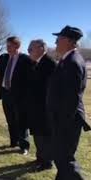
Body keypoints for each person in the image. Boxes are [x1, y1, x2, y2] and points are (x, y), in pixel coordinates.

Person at [47, 25, 91, 180]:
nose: (55, 42)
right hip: (64, 119)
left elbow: (71, 99)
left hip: (67, 121)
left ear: (68, 41)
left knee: (66, 161)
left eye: (58, 39)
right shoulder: (67, 60)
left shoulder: (72, 62)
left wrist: (61, 124)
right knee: (61, 159)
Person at [26, 39, 56, 171]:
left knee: (44, 136)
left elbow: (50, 89)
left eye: (30, 48)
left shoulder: (49, 64)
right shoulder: (36, 63)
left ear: (41, 49)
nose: (28, 51)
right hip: (36, 107)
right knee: (38, 135)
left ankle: (47, 162)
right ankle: (40, 158)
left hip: (44, 109)